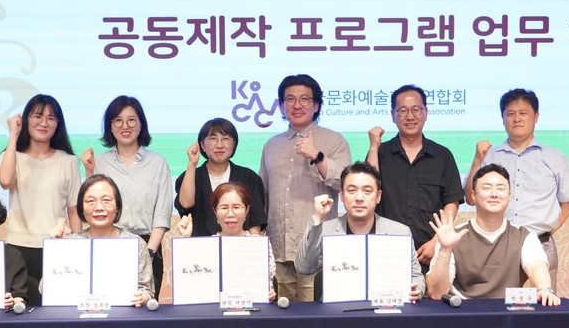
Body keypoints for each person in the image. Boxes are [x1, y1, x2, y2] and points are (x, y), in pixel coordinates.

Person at [464, 88, 569, 291]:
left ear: (536, 116)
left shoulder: (555, 158)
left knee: (542, 301)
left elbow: (568, 205)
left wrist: (547, 230)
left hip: (540, 242)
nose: (517, 119)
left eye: (523, 113)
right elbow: (471, 199)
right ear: (503, 118)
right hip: (497, 244)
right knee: (496, 302)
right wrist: (477, 160)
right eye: (510, 114)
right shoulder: (490, 156)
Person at [259, 74, 351, 301]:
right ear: (281, 106)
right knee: (282, 314)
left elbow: (345, 184)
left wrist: (317, 156)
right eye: (290, 99)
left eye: (305, 99)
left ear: (316, 105)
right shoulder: (271, 145)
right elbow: (264, 194)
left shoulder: (334, 141)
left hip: (318, 250)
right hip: (279, 249)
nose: (297, 105)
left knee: (316, 314)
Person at [365, 84, 464, 272]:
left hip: (428, 253)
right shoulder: (381, 153)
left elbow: (451, 202)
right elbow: (367, 188)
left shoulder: (442, 155)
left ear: (426, 112)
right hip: (385, 250)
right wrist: (373, 147)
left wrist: (436, 241)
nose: (410, 116)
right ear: (392, 115)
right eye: (402, 110)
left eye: (416, 109)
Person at [429, 164, 560, 306]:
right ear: (473, 195)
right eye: (486, 188)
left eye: (501, 188)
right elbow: (436, 293)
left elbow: (536, 266)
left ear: (509, 196)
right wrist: (446, 250)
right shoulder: (454, 236)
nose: (494, 194)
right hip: (463, 312)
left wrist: (544, 289)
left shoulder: (523, 236)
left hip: (509, 313)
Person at [0, 94, 81, 307]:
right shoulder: (11, 156)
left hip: (56, 247)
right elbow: (5, 181)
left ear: (58, 124)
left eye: (51, 118)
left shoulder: (69, 161)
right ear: (26, 120)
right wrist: (13, 135)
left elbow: (73, 209)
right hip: (18, 246)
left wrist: (78, 246)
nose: (44, 123)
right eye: (38, 116)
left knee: (57, 309)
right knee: (20, 309)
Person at [294, 162, 424, 302]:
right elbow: (304, 268)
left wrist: (418, 289)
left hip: (384, 308)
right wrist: (316, 218)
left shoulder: (399, 232)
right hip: (336, 310)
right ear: (342, 195)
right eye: (352, 190)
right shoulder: (326, 231)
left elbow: (416, 275)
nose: (359, 198)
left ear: (378, 196)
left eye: (367, 191)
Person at [82, 96, 173, 295]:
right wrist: (89, 171)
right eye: (118, 120)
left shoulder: (158, 162)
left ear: (141, 124)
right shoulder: (99, 162)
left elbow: (162, 214)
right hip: (108, 244)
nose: (125, 126)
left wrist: (149, 252)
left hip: (148, 244)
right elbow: (90, 204)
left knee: (144, 306)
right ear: (110, 125)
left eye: (131, 120)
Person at [159, 182, 276, 304]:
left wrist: (267, 293)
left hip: (251, 310)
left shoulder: (259, 246)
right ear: (215, 211)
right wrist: (185, 239)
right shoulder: (206, 247)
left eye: (236, 207)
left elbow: (266, 283)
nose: (230, 214)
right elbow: (189, 280)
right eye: (224, 208)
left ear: (247, 210)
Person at [64, 174, 154, 306]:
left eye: (106, 200)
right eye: (90, 201)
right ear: (81, 209)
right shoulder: (70, 244)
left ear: (117, 206)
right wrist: (56, 249)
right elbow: (44, 289)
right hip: (77, 314)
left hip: (123, 314)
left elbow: (147, 290)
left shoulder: (135, 243)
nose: (99, 208)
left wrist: (143, 297)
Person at [175, 118, 267, 236]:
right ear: (202, 145)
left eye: (225, 139)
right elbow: (186, 204)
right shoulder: (190, 176)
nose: (219, 145)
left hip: (240, 244)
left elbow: (256, 221)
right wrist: (192, 164)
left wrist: (253, 244)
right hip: (201, 244)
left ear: (234, 144)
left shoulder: (250, 177)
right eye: (213, 139)